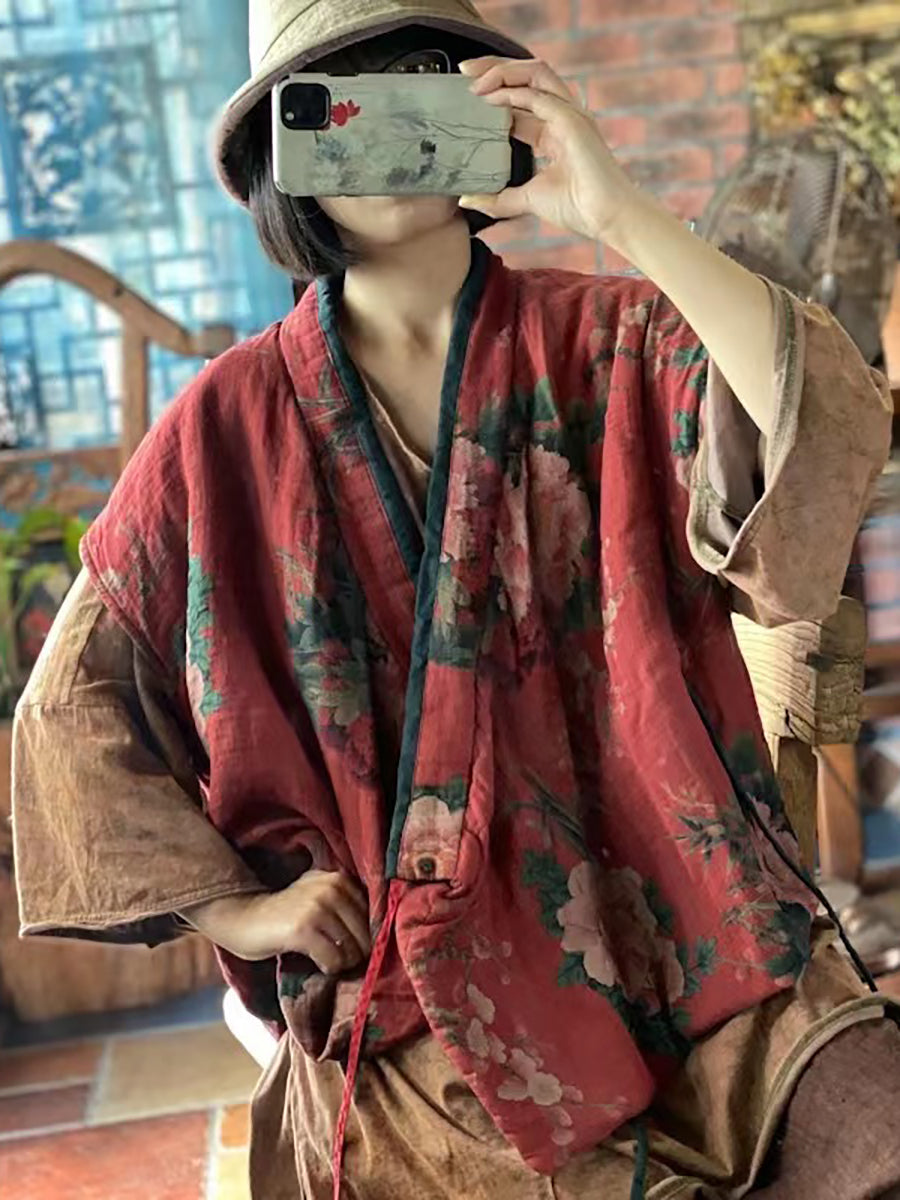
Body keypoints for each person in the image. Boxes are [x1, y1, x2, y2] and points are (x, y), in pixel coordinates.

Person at [11, 2, 900, 1198]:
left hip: (692, 929)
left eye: (422, 79)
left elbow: (817, 424)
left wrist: (618, 212)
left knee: (875, 1127)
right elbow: (71, 710)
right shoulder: (224, 424)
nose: (384, 125)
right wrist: (241, 916)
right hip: (420, 997)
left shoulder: (610, 337)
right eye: (336, 101)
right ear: (282, 150)